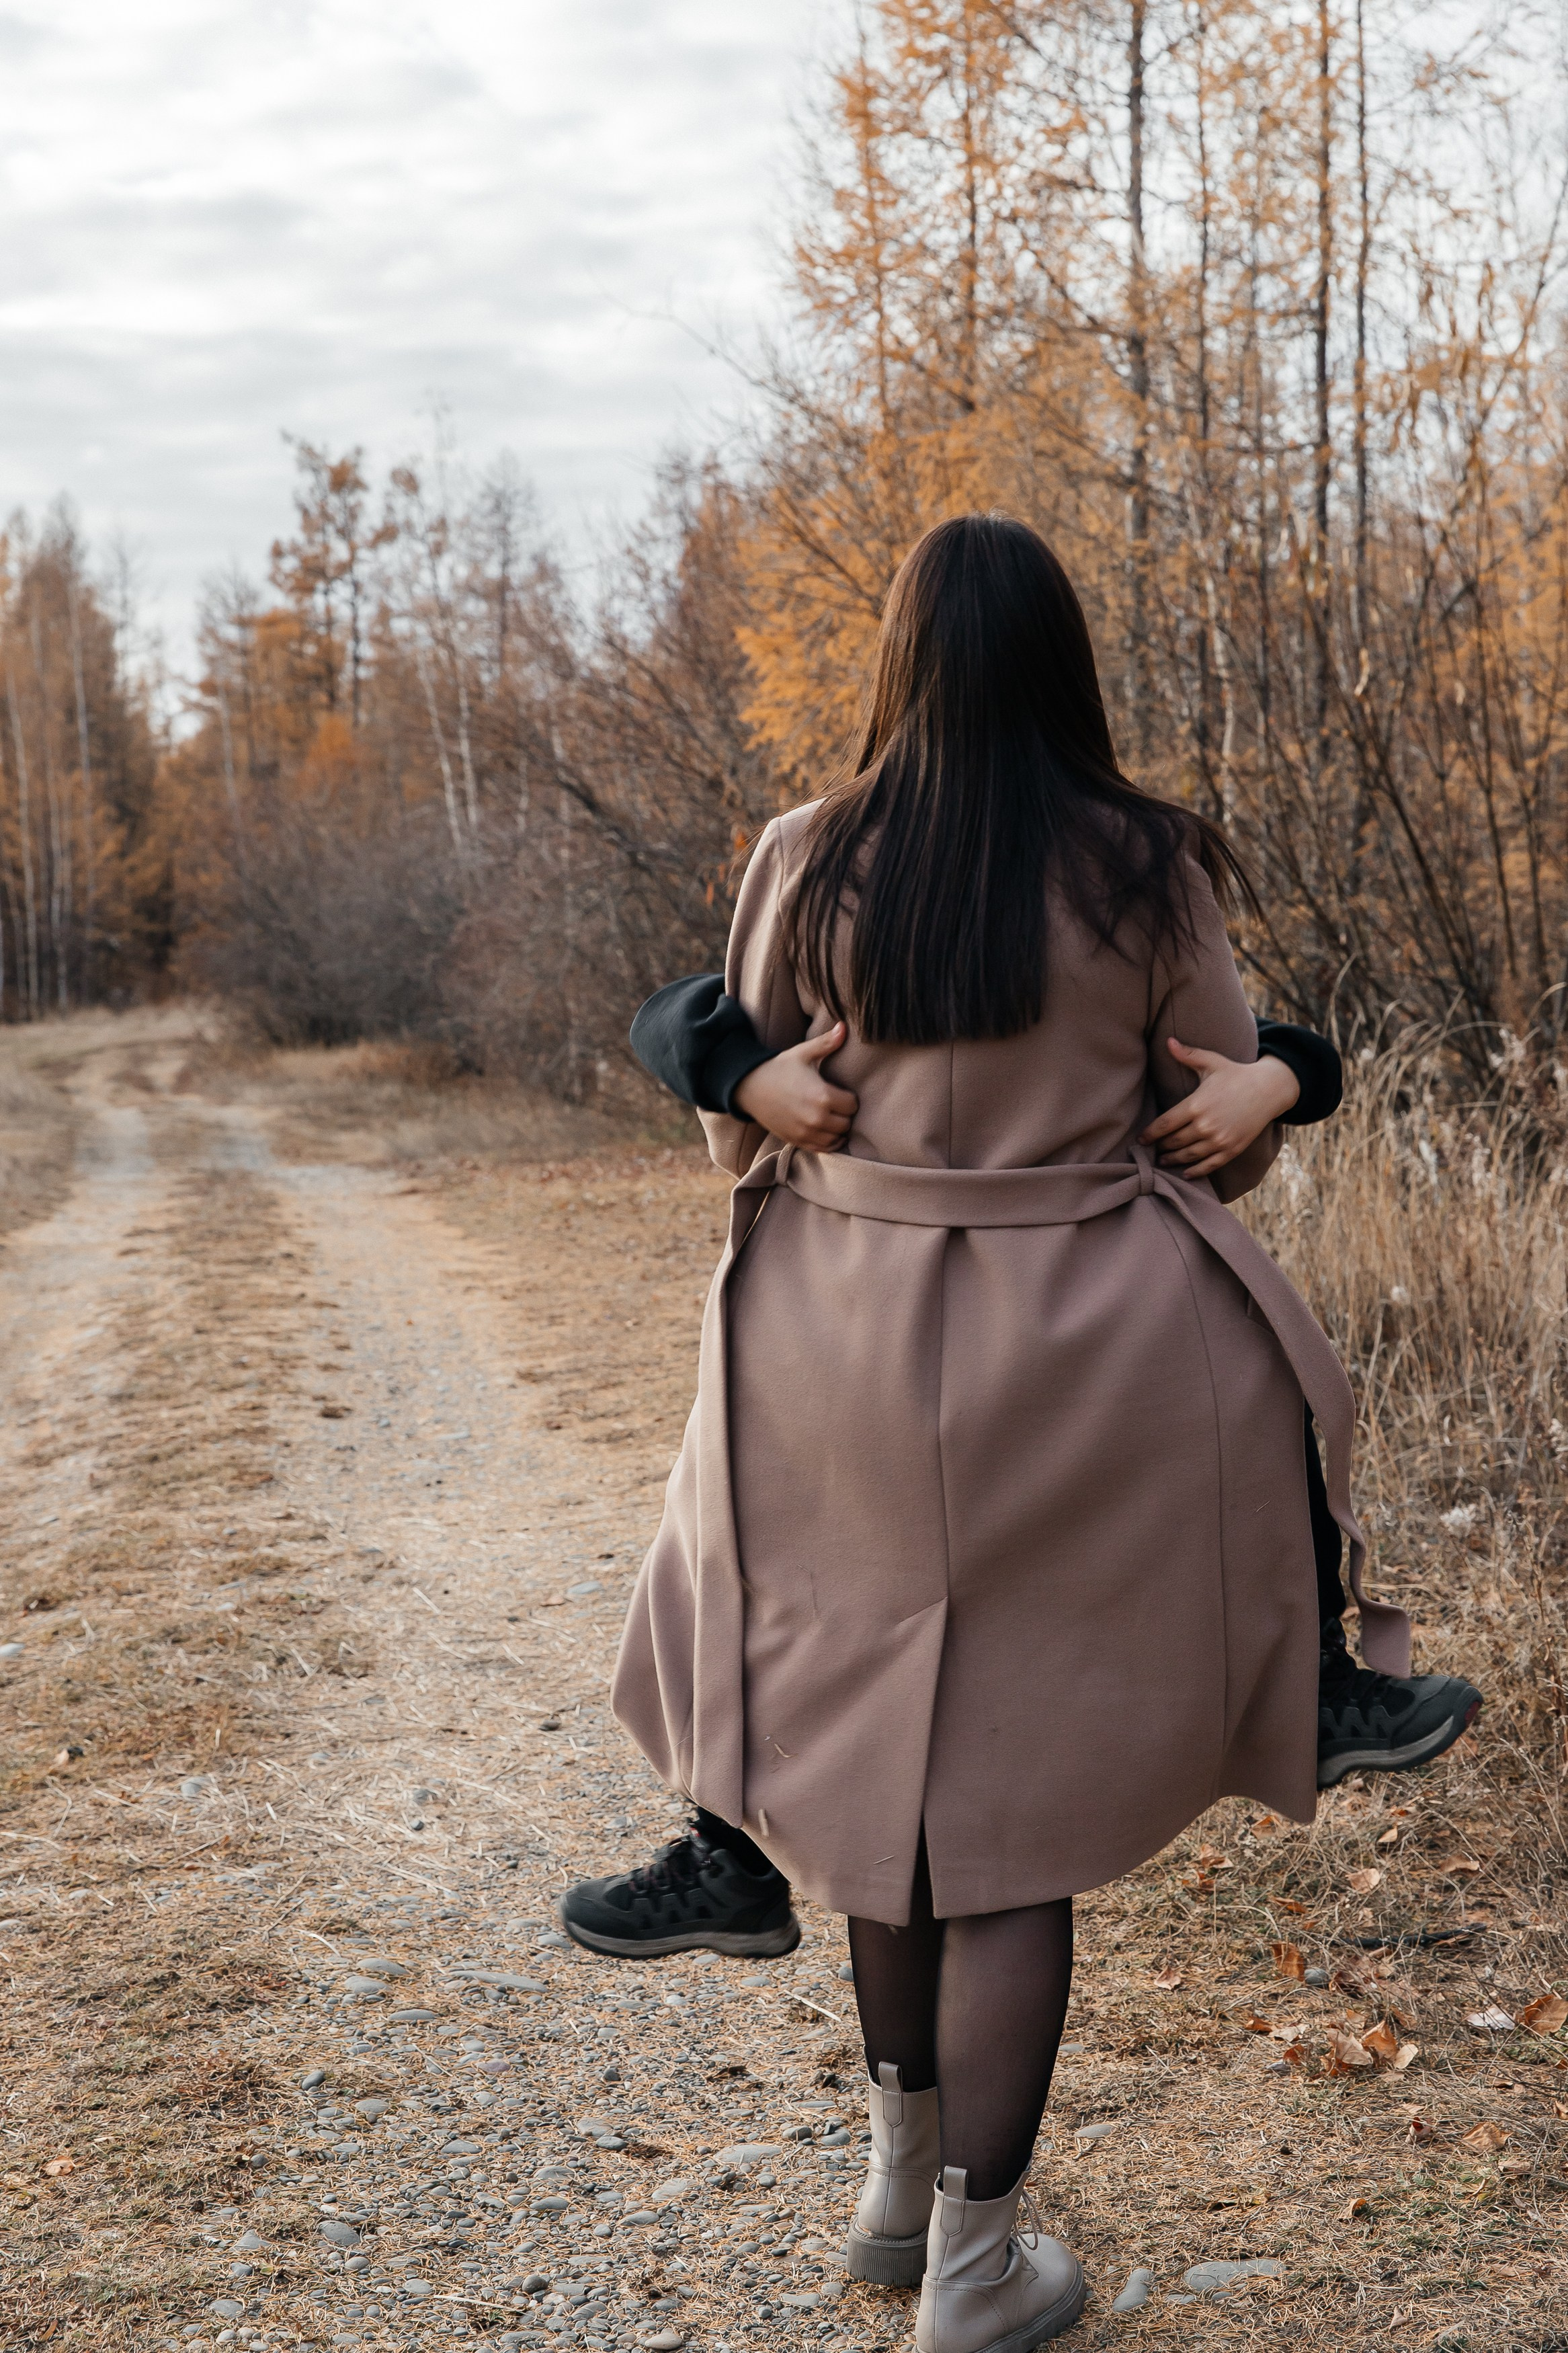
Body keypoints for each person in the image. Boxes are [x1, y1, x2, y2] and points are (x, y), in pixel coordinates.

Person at [591, 514, 1421, 2350]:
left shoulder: (804, 857)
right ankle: (973, 2268)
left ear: (896, 660)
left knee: (877, 1791)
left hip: (835, 1359)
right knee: (1013, 1818)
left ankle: (894, 2194)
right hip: (1083, 1364)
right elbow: (1221, 1112)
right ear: (1063, 663)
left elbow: (751, 1106)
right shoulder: (1141, 863)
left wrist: (761, 1078)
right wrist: (1264, 1087)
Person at [563, 1014, 1482, 1966]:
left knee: (759, 1557)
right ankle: (1314, 1688)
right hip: (1045, 1296)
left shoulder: (827, 865)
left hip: (851, 1294)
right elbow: (1213, 1084)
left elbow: (688, 1018)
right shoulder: (1121, 868)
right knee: (1249, 1373)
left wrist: (734, 1072)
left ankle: (730, 1852)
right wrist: (1285, 1074)